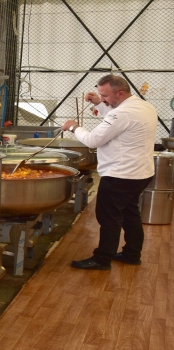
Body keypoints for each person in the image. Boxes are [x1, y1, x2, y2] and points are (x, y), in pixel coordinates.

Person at [62, 74, 157, 270]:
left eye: (105, 95)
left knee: (108, 217)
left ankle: (102, 258)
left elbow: (93, 140)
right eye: (100, 94)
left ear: (120, 93)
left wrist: (73, 126)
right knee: (130, 213)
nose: (101, 98)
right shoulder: (143, 106)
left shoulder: (121, 114)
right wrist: (100, 103)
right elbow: (117, 114)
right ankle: (132, 254)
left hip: (120, 174)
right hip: (141, 172)